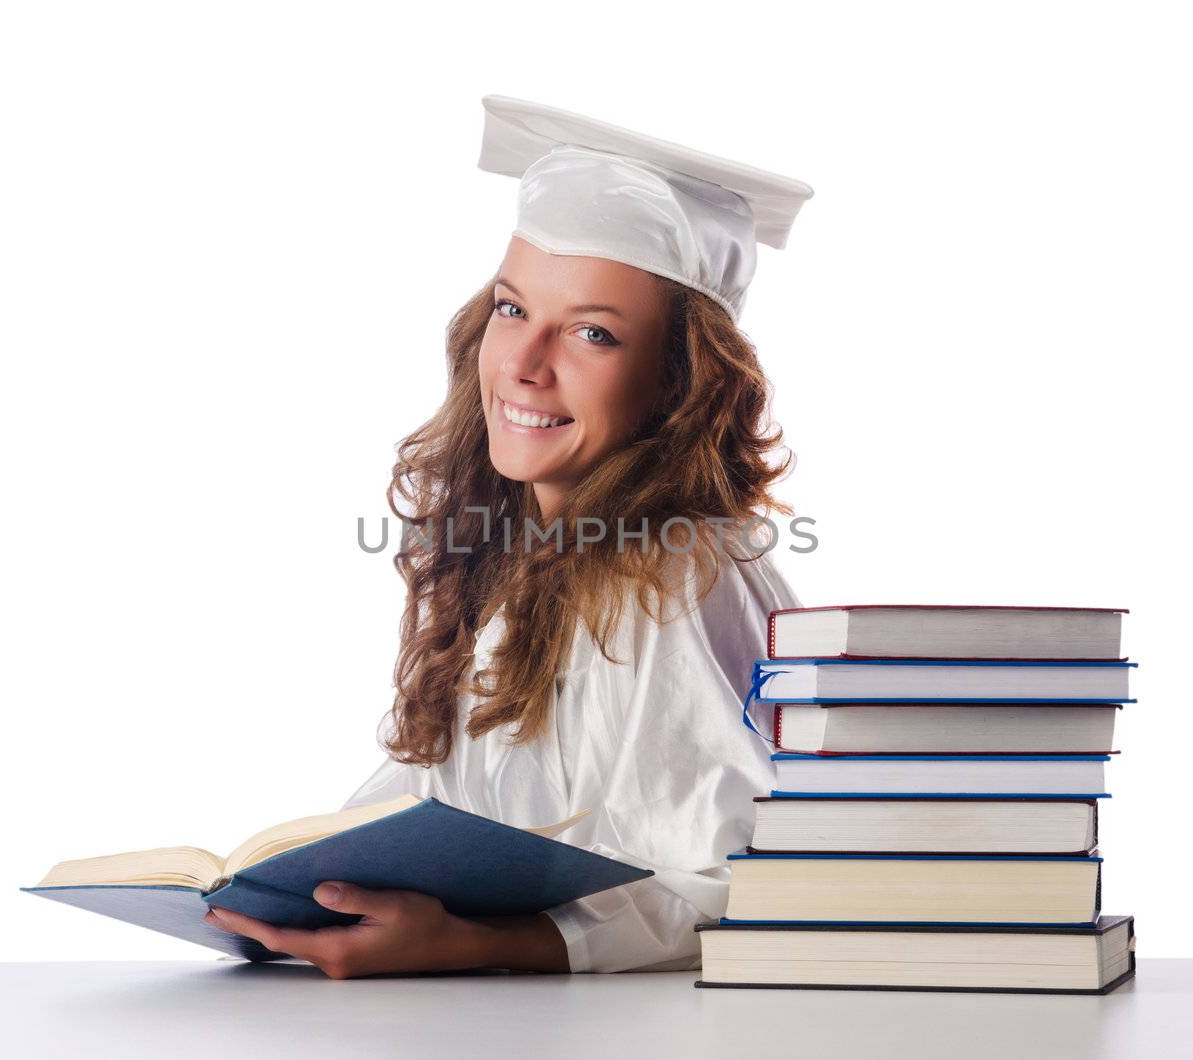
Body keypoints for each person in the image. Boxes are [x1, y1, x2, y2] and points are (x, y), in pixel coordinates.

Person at [205, 95, 814, 978]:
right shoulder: (513, 553)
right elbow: (433, 814)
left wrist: (484, 946)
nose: (525, 365)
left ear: (682, 380)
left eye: (593, 333)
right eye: (512, 309)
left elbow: (742, 876)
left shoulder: (674, 571)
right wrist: (275, 889)